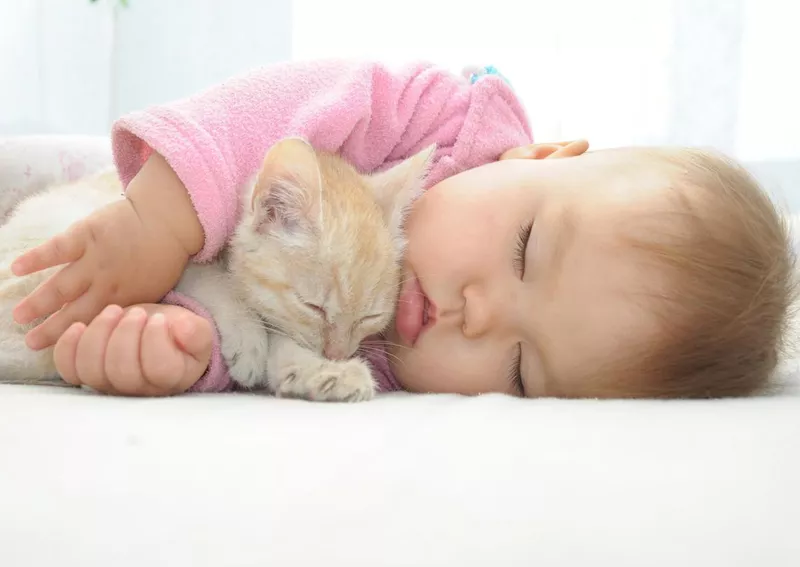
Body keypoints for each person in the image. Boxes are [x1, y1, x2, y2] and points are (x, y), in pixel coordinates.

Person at [9, 61, 795, 398]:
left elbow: (267, 339)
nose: (477, 316)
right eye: (526, 251)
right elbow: (276, 108)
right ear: (538, 155)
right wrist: (158, 221)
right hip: (152, 176)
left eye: (520, 369)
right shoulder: (443, 116)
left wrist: (187, 348)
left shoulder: (385, 362)